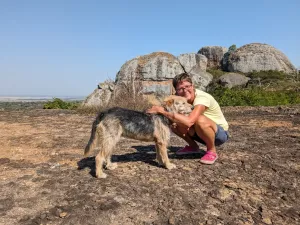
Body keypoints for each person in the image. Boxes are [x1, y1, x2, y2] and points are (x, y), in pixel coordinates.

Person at [146, 72, 229, 164]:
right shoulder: (180, 99)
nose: (185, 90)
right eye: (180, 88)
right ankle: (193, 147)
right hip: (199, 133)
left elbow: (190, 121)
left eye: (187, 86)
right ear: (176, 91)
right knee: (173, 123)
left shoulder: (202, 98)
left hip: (218, 135)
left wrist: (162, 111)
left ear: (192, 86)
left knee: (199, 119)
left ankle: (211, 151)